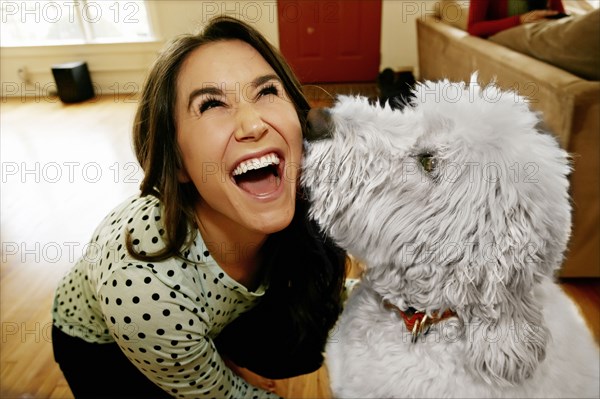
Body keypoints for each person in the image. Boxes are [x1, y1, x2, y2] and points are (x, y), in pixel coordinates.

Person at [51, 15, 347, 398]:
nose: (252, 123)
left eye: (266, 91)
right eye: (210, 104)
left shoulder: (296, 194)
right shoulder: (143, 282)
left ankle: (199, 350)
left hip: (208, 315)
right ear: (178, 164)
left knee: (306, 343)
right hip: (103, 347)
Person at [467, 0, 566, 38]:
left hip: (543, 32)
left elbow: (562, 19)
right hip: (509, 39)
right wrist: (520, 20)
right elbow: (473, 27)